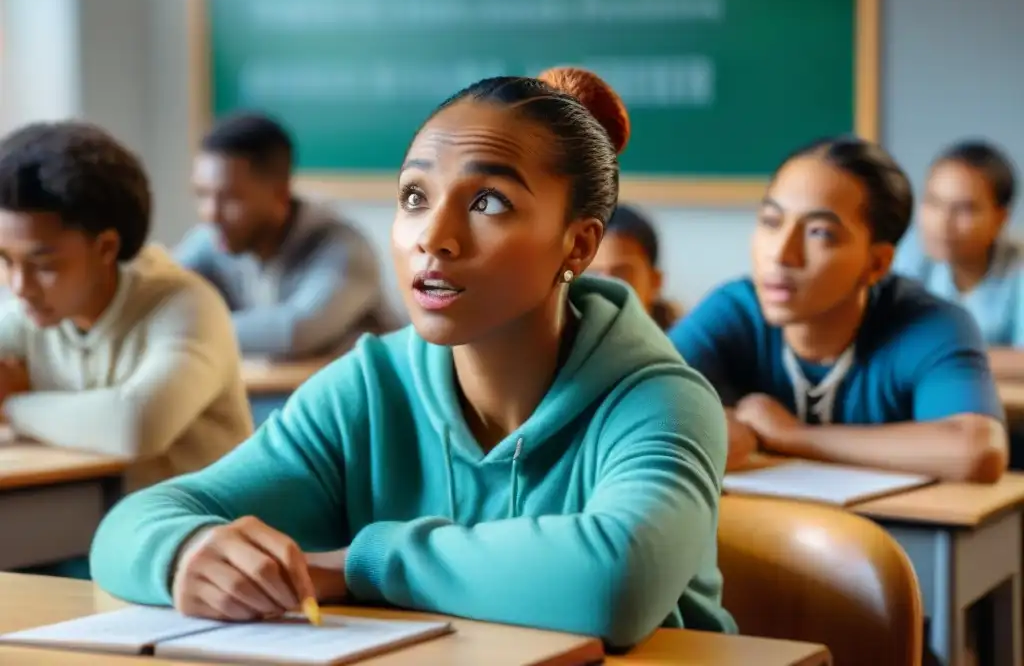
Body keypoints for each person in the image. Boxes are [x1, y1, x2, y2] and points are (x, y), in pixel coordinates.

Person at [90, 68, 735, 648]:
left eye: (488, 202)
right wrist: (187, 552)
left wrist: (355, 565)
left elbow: (616, 582)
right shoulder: (368, 388)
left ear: (579, 244)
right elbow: (132, 525)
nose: (433, 237)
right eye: (414, 197)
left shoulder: (660, 400)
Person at [669, 137, 1007, 482]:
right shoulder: (735, 309)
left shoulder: (930, 324)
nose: (782, 254)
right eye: (771, 221)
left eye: (820, 233)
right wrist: (726, 428)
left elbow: (976, 450)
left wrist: (792, 435)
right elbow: (632, 394)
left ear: (877, 264)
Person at [0, 122, 253, 576]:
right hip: (87, 535)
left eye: (43, 265)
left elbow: (137, 423)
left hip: (199, 550)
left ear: (106, 247)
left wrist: (15, 405)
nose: (20, 286)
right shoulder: (27, 312)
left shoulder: (183, 304)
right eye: (4, 261)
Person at [175, 113, 396, 360]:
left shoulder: (345, 248)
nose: (211, 215)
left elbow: (297, 331)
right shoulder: (217, 237)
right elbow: (162, 292)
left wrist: (188, 328)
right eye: (202, 195)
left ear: (280, 196)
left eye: (231, 199)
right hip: (274, 393)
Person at [892, 140, 1023, 379]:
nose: (943, 222)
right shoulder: (902, 254)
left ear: (1000, 218)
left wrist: (936, 355)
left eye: (965, 209)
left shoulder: (1018, 266)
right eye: (933, 202)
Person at [589, 203, 683, 330]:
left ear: (655, 282)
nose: (605, 290)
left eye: (621, 275)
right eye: (591, 276)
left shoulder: (680, 347)